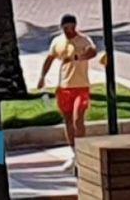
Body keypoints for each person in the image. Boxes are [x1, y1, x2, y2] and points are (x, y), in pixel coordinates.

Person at [37, 13, 97, 170]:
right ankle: (74, 152)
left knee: (78, 119)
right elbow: (49, 59)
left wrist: (78, 57)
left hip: (81, 86)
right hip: (64, 87)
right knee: (68, 121)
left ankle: (82, 151)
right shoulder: (57, 42)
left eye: (71, 27)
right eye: (65, 28)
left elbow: (92, 52)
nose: (69, 30)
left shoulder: (84, 40)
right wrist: (42, 76)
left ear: (75, 26)